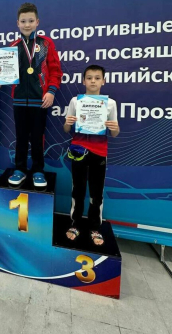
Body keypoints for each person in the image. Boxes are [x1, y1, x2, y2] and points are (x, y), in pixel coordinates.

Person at [0, 2, 62, 187]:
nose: (27, 24)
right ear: (17, 23)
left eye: (31, 21)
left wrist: (51, 92)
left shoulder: (46, 43)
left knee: (38, 138)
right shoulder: (13, 46)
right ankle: (20, 169)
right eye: (23, 21)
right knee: (21, 137)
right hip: (19, 100)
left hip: (40, 100)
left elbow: (56, 71)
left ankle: (38, 170)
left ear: (37, 22)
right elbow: (8, 75)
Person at [63, 65, 120, 246]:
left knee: (96, 192)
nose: (93, 81)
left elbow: (114, 133)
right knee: (78, 190)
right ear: (83, 81)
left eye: (97, 78)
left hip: (99, 152)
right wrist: (68, 123)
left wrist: (115, 128)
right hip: (78, 151)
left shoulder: (110, 103)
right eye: (89, 78)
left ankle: (95, 227)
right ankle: (75, 224)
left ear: (103, 81)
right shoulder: (75, 101)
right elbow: (66, 129)